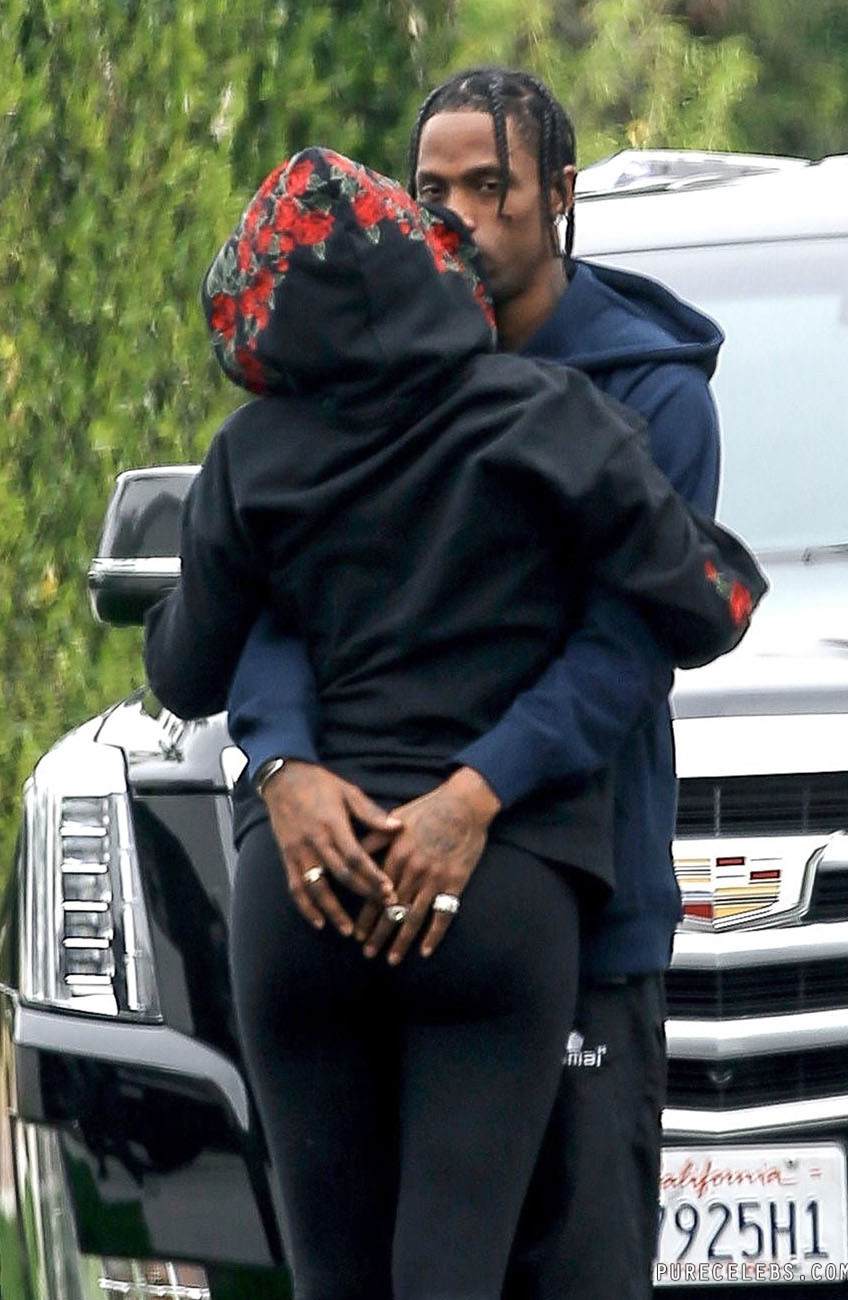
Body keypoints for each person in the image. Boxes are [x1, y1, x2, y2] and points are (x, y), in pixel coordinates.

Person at [144, 148, 763, 1300]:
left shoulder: (252, 456)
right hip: (494, 895)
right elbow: (705, 604)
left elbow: (184, 670)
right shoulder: (549, 415)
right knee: (452, 1270)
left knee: (334, 1277)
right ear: (430, 272)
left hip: (303, 895)